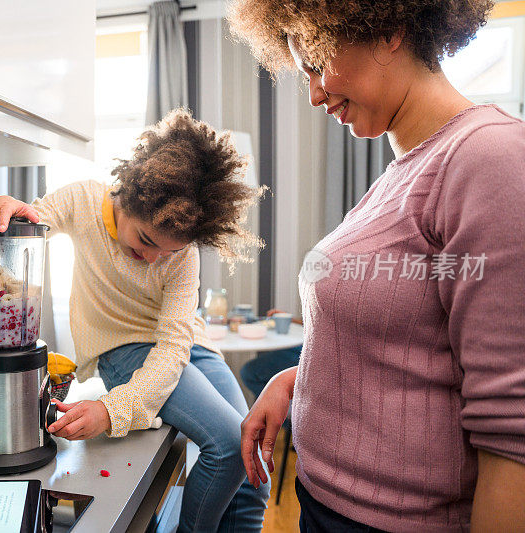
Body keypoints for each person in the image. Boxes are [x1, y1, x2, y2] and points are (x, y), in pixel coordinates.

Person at [228, 0, 525, 531]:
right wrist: (296, 382)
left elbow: (513, 432)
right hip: (327, 505)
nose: (315, 94)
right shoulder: (402, 174)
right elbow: (414, 350)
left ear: (389, 28)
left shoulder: (489, 158)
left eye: (317, 64)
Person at [0, 110, 270, 532]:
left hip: (187, 348)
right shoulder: (85, 200)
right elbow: (35, 216)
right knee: (231, 446)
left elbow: (175, 345)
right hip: (126, 349)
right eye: (146, 240)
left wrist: (111, 409)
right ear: (127, 198)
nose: (157, 257)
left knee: (253, 462)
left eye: (171, 251)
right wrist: (8, 208)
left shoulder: (184, 255)